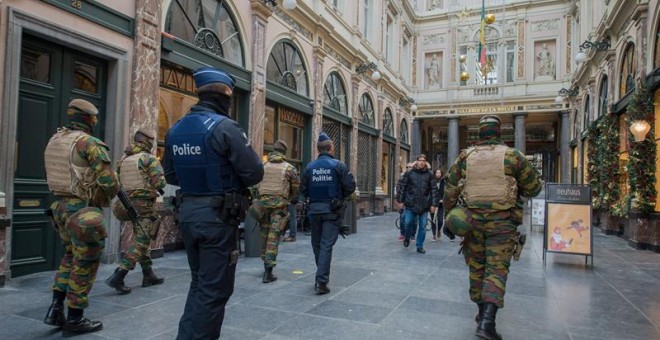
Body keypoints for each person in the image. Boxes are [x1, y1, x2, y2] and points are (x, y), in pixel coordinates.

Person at [162, 66, 264, 339]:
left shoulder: (176, 130)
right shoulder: (225, 127)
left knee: (199, 284)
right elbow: (254, 172)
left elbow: (170, 173)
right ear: (226, 96)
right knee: (214, 290)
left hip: (188, 214)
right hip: (217, 219)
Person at [444, 115, 542, 340]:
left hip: (472, 223)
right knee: (496, 270)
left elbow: (450, 187)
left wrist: (450, 216)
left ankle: (481, 314)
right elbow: (534, 188)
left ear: (480, 134)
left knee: (477, 267)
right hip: (503, 224)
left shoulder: (465, 157)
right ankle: (487, 322)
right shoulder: (512, 157)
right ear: (499, 133)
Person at [43, 99, 119, 336]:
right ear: (89, 119)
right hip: (82, 210)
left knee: (69, 256)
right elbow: (110, 184)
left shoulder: (55, 140)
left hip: (59, 207)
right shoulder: (89, 143)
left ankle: (56, 308)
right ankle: (75, 318)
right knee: (85, 262)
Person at [105, 129, 166, 294]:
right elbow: (160, 183)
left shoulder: (123, 160)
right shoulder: (149, 159)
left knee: (142, 239)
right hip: (144, 206)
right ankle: (118, 276)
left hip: (127, 206)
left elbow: (116, 183)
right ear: (148, 142)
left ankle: (148, 275)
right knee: (141, 241)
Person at [300, 132, 356, 295]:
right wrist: (340, 198)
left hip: (314, 210)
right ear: (332, 148)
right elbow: (350, 186)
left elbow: (303, 189)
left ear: (318, 149)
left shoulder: (309, 167)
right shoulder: (338, 165)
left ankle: (321, 276)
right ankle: (322, 281)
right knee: (326, 245)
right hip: (331, 211)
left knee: (317, 244)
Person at [249, 140, 300, 283]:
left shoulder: (262, 166)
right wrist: (292, 199)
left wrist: (259, 199)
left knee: (264, 236)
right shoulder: (289, 168)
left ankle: (265, 262)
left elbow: (253, 187)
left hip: (263, 208)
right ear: (284, 152)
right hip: (279, 208)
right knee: (273, 238)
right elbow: (296, 189)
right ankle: (268, 272)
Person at [396, 154, 439, 254]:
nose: (422, 162)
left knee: (423, 226)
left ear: (425, 162)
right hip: (411, 204)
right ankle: (407, 237)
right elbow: (403, 187)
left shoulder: (429, 174)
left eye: (424, 160)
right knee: (407, 223)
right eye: (420, 160)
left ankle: (419, 245)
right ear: (417, 161)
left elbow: (434, 190)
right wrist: (401, 201)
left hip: (424, 205)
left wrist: (434, 204)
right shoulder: (409, 173)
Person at [395, 162, 414, 242]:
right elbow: (398, 189)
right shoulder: (402, 178)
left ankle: (412, 235)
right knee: (402, 218)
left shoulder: (415, 177)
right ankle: (402, 233)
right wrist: (399, 201)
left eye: (410, 167)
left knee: (413, 220)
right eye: (407, 167)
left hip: (413, 202)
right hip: (404, 202)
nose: (408, 168)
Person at [429, 168, 446, 241]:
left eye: (439, 173)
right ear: (434, 174)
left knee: (440, 221)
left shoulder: (444, 182)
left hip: (441, 204)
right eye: (437, 173)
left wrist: (443, 199)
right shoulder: (432, 181)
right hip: (433, 203)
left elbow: (446, 192)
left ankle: (438, 230)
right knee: (433, 220)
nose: (438, 174)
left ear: (441, 174)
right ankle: (433, 235)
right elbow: (430, 192)